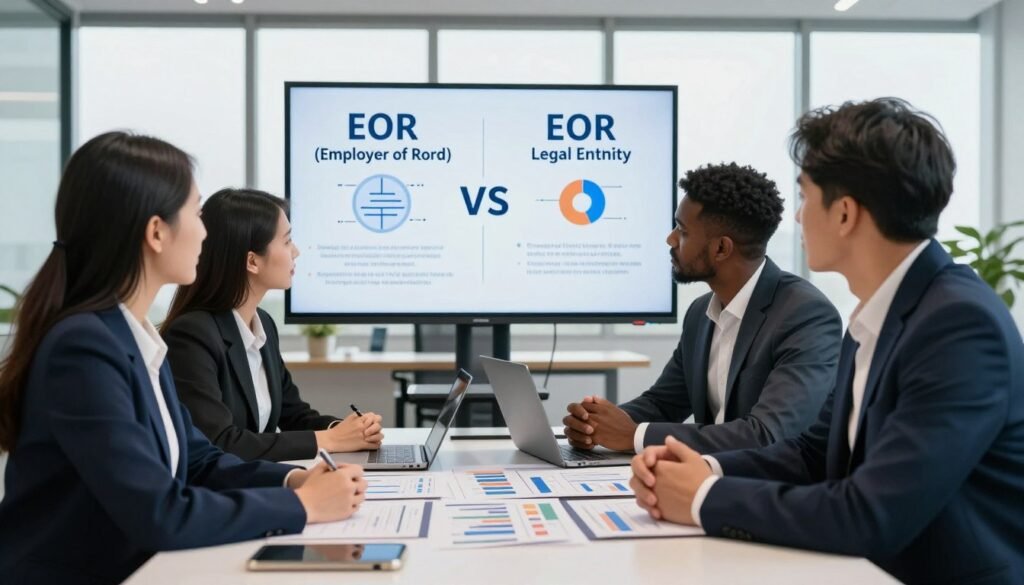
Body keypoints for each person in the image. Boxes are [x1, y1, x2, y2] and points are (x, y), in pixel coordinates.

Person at [630, 98, 1024, 584]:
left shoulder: (958, 325)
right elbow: (812, 455)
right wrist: (702, 466)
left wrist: (702, 497)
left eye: (805, 197)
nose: (797, 218)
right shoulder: (880, 313)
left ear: (843, 214)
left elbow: (869, 515)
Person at [0, 132, 366, 585]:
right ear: (156, 232)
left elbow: (200, 461)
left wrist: (294, 482)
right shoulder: (84, 348)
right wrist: (304, 506)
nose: (206, 232)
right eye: (195, 213)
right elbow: (159, 511)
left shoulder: (134, 338)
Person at [564, 163, 841, 454]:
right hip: (712, 479)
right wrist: (594, 423)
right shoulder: (701, 313)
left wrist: (634, 436)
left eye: (682, 231)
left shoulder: (806, 316)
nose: (670, 239)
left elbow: (766, 436)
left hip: (769, 490)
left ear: (721, 248)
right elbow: (663, 403)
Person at [162, 188, 383, 462]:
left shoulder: (262, 323)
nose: (296, 252)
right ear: (252, 261)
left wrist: (345, 430)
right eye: (287, 241)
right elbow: (218, 442)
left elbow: (293, 415)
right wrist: (330, 440)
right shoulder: (192, 335)